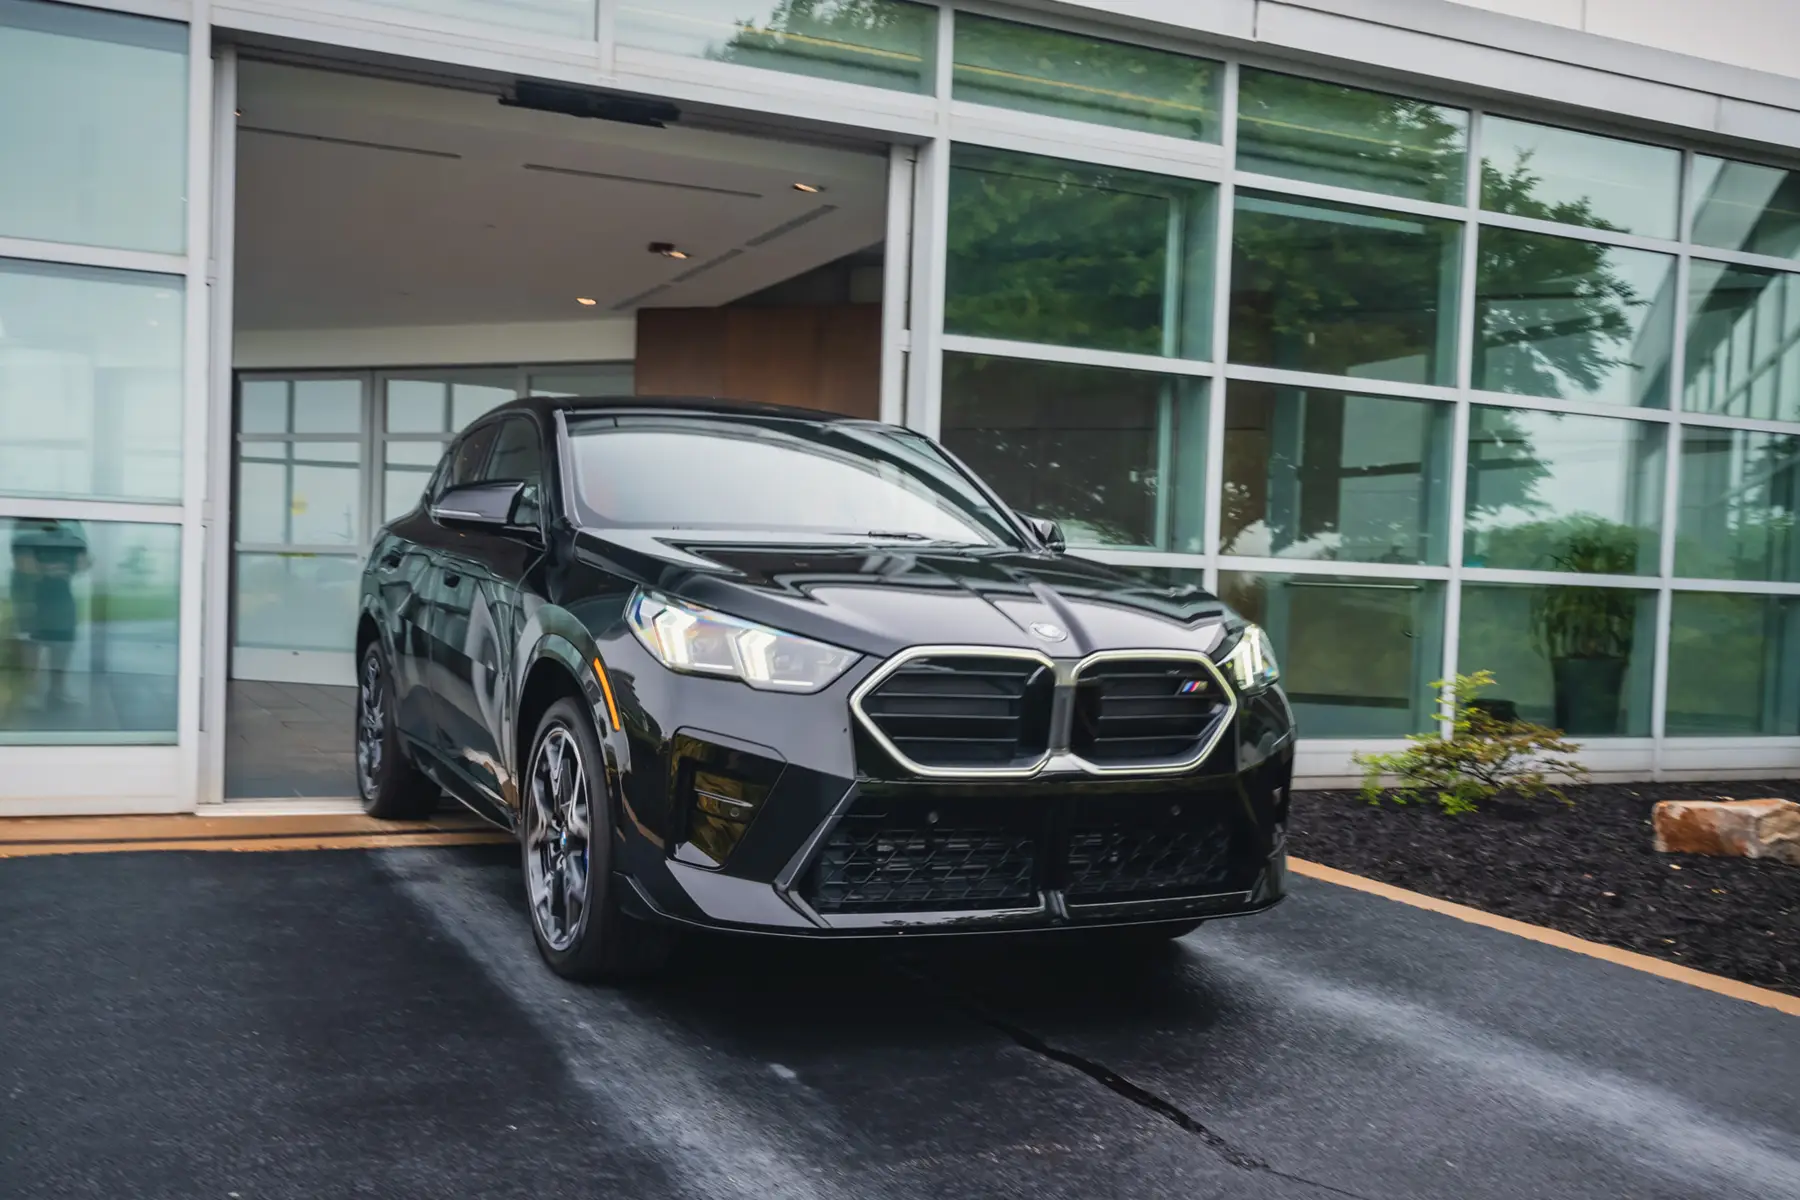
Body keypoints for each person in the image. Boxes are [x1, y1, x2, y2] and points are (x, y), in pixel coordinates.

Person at [8, 519, 89, 712]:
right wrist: (57, 568)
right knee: (31, 642)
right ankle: (29, 693)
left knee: (63, 641)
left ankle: (57, 691)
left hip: (61, 594)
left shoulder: (73, 525)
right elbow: (24, 564)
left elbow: (84, 562)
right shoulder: (27, 521)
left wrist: (50, 568)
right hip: (29, 592)